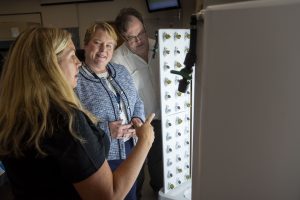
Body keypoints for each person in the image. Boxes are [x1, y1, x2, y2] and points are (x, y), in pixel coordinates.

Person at [0, 26, 155, 200]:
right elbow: (109, 195)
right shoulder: (64, 120)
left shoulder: (12, 114)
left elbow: (136, 100)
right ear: (49, 65)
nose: (78, 62)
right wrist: (146, 140)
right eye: (72, 55)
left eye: (110, 45)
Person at [75, 22, 145, 200]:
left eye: (109, 45)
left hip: (131, 147)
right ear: (86, 44)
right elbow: (74, 122)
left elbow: (137, 101)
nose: (102, 50)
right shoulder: (76, 80)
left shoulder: (120, 71)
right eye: (97, 43)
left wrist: (138, 119)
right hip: (102, 156)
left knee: (131, 194)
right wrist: (106, 130)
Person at [112, 7, 163, 195]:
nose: (139, 40)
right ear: (123, 38)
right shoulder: (117, 60)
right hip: (137, 124)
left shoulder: (161, 46)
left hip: (164, 118)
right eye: (131, 38)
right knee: (137, 172)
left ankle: (159, 193)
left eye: (141, 33)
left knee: (161, 167)